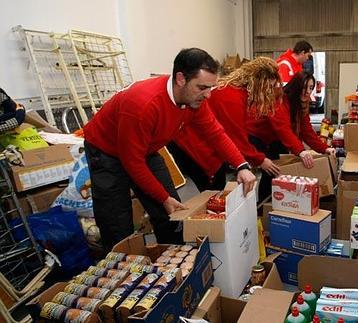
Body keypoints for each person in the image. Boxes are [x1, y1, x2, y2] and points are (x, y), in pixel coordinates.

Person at [83, 48, 256, 251]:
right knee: (117, 223)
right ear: (181, 78)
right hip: (107, 152)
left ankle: (176, 265)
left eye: (211, 87)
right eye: (202, 87)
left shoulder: (194, 101)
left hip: (145, 148)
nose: (208, 95)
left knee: (172, 213)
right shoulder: (144, 104)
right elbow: (132, 162)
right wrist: (162, 197)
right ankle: (120, 264)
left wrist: (241, 165)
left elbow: (215, 133)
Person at [169, 57, 282, 192]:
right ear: (258, 82)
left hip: (202, 144)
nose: (268, 92)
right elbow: (235, 137)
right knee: (213, 191)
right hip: (195, 146)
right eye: (268, 86)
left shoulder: (236, 92)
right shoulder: (232, 98)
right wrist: (259, 160)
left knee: (216, 187)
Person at [247, 71, 335, 201]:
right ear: (296, 87)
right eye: (304, 88)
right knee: (271, 170)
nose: (307, 92)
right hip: (258, 135)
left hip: (274, 137)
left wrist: (324, 148)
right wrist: (300, 151)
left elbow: (307, 131)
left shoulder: (302, 103)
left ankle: (283, 200)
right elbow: (283, 128)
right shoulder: (279, 99)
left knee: (283, 168)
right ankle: (264, 207)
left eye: (311, 88)